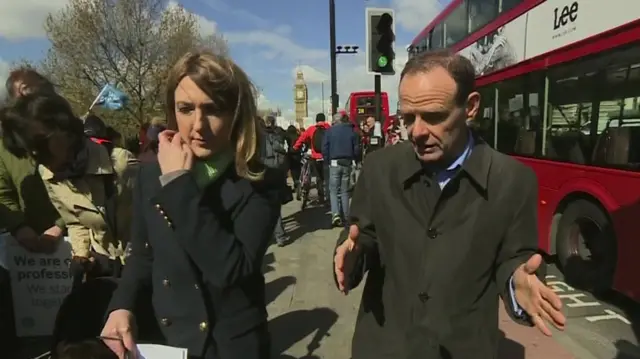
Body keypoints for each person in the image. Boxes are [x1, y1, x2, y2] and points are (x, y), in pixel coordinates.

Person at [333, 50, 566, 359]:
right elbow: (363, 234)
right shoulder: (379, 167)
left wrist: (517, 282)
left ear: (470, 107)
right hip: (384, 347)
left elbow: (515, 259)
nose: (416, 132)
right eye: (408, 117)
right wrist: (352, 254)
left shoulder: (512, 180)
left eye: (433, 116)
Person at [101, 51, 280, 359]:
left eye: (212, 109)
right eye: (185, 108)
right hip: (165, 341)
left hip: (227, 344)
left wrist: (178, 185)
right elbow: (143, 254)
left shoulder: (259, 180)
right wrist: (122, 305)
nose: (198, 125)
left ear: (236, 114)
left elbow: (231, 269)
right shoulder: (150, 173)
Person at [0, 93, 139, 287]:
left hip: (144, 269)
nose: (37, 158)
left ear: (64, 129)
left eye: (40, 146)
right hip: (105, 273)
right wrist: (81, 255)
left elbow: (154, 222)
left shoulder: (122, 165)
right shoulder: (49, 174)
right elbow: (75, 220)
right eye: (29, 152)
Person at [322, 113, 360, 227]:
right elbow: (357, 149)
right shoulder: (352, 131)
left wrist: (327, 160)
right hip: (347, 162)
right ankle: (346, 216)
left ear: (336, 121)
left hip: (334, 162)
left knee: (333, 190)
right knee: (345, 191)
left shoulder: (329, 131)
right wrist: (354, 159)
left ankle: (335, 214)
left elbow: (325, 148)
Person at [262, 116, 292, 247]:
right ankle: (280, 236)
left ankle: (268, 235)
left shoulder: (257, 136)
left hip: (262, 172)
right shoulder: (277, 135)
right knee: (275, 205)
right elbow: (282, 149)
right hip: (275, 172)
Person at [293, 113, 330, 203]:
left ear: (316, 120)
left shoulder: (311, 129)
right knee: (327, 178)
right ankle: (328, 198)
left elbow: (302, 138)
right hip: (326, 157)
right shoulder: (329, 128)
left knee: (318, 178)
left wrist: (295, 147)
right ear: (324, 120)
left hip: (315, 157)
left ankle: (321, 196)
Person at [285, 125, 302, 191]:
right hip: (298, 155)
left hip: (290, 155)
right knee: (297, 169)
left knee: (291, 169)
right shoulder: (298, 136)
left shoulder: (287, 136)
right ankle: (297, 181)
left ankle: (295, 182)